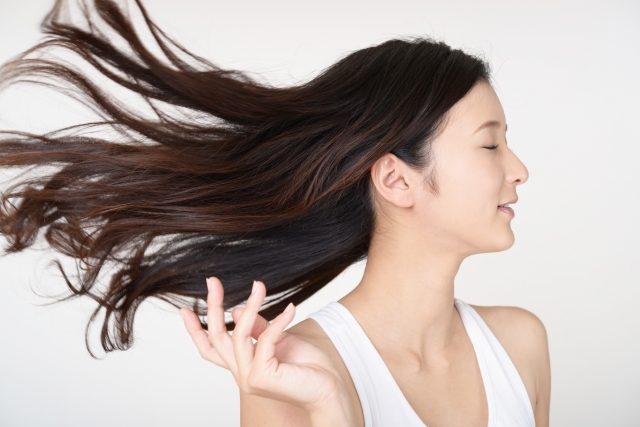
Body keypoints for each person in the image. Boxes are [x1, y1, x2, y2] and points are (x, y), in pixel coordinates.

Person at [0, 0, 550, 426]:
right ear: (395, 179)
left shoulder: (520, 343)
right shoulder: (291, 371)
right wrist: (332, 407)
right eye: (490, 145)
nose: (519, 168)